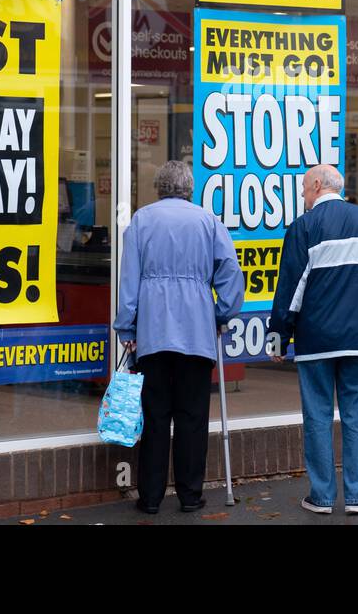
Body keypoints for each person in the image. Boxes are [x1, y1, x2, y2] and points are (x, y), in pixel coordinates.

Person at [114, 160, 244, 515]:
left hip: (153, 334)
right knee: (192, 416)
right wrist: (220, 314)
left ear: (159, 187)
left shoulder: (141, 220)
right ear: (189, 188)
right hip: (197, 335)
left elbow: (129, 283)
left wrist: (127, 327)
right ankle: (190, 495)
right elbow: (231, 276)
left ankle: (151, 497)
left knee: (155, 416)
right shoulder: (208, 221)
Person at [268, 164, 358, 515]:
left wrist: (280, 334)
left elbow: (290, 289)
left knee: (318, 415)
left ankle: (322, 497)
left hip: (318, 340)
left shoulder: (303, 227)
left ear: (315, 185)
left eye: (303, 189)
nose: (301, 196)